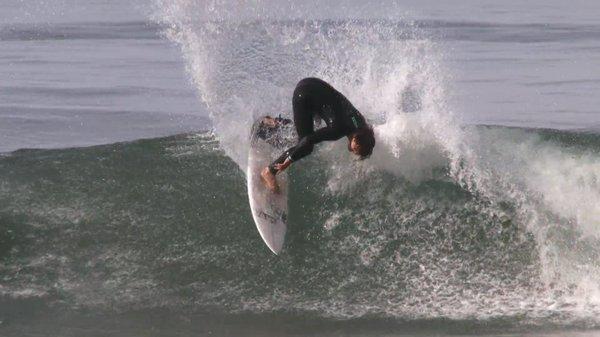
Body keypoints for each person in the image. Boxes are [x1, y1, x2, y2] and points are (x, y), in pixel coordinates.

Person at [261, 77, 375, 192]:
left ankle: (273, 122)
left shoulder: (361, 123)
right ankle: (269, 171)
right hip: (304, 96)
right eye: (355, 149)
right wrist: (288, 161)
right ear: (355, 138)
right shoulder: (338, 129)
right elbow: (308, 140)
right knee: (305, 146)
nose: (351, 151)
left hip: (315, 85)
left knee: (308, 130)